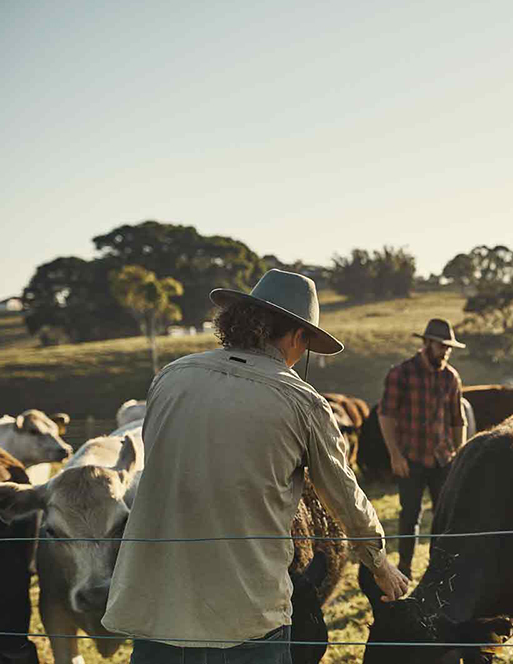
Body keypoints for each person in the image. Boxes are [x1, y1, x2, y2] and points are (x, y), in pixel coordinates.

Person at [103, 269, 408, 663]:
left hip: (156, 609)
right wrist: (379, 562)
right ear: (298, 336)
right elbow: (344, 495)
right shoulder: (302, 401)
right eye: (307, 344)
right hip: (244, 617)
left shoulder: (171, 378)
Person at [376, 318, 467, 578]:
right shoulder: (401, 373)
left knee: (443, 517)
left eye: (449, 347)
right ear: (426, 343)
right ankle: (405, 567)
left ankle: (437, 569)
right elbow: (386, 415)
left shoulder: (451, 377)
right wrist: (395, 455)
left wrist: (458, 456)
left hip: (442, 459)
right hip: (411, 457)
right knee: (410, 515)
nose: (446, 351)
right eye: (442, 346)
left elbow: (457, 420)